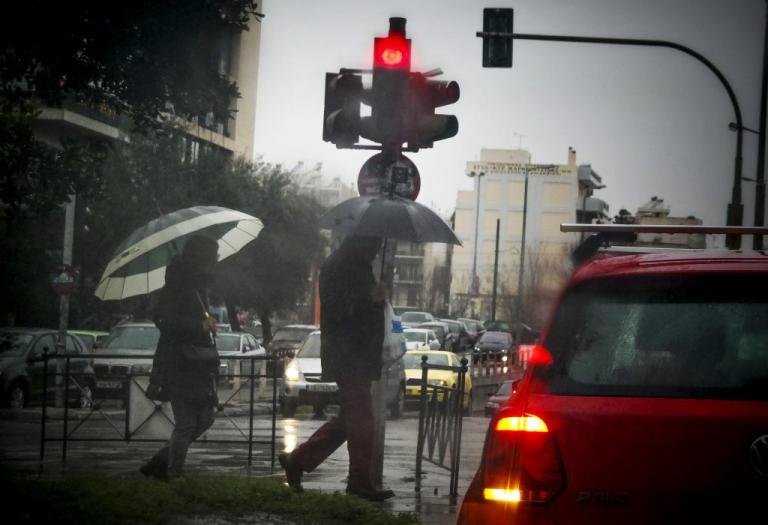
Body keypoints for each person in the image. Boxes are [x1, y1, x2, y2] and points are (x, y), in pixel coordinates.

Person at [278, 235, 394, 501]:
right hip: (349, 356)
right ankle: (359, 481)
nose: (377, 251)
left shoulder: (355, 265)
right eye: (374, 245)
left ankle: (298, 460)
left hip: (357, 355)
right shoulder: (341, 266)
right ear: (362, 242)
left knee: (350, 419)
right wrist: (372, 298)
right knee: (362, 420)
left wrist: (374, 299)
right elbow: (340, 310)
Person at [140, 234, 220, 480]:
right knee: (186, 422)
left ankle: (161, 461)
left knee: (205, 418)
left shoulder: (198, 286)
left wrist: (207, 324)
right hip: (180, 363)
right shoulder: (177, 284)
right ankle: (174, 473)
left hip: (200, 364)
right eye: (213, 254)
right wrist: (199, 326)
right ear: (203, 256)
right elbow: (164, 319)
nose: (217, 259)